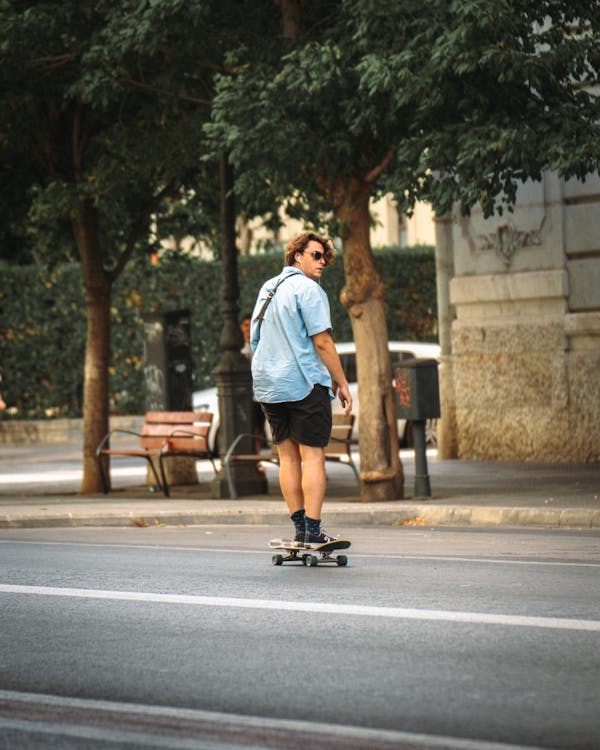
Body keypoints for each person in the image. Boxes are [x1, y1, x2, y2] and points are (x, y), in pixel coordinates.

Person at [250, 231, 352, 548]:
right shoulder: (308, 290)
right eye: (316, 255)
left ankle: (299, 529)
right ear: (298, 256)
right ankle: (312, 529)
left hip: (268, 385)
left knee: (287, 458)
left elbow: (254, 339)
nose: (322, 262)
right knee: (313, 457)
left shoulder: (267, 289)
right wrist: (342, 381)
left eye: (324, 257)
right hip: (303, 383)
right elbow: (322, 341)